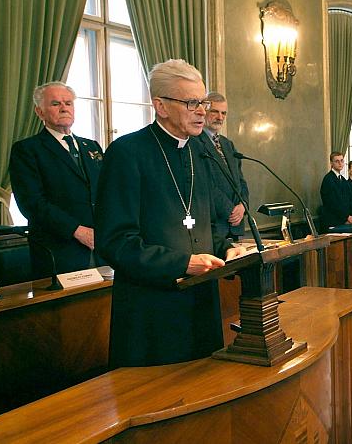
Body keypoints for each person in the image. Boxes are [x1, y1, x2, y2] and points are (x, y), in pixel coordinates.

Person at [94, 59, 247, 367]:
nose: (202, 110)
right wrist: (182, 263)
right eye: (191, 102)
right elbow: (115, 242)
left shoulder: (200, 153)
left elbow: (202, 224)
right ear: (160, 106)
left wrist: (226, 247)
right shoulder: (127, 153)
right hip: (150, 310)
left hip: (200, 302)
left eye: (202, 101)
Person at [10, 81, 104, 276]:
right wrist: (77, 231)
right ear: (39, 112)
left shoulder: (92, 146)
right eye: (55, 104)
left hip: (102, 248)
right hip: (60, 251)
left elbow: (106, 192)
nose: (64, 108)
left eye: (68, 103)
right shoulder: (27, 150)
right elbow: (32, 203)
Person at [195, 92, 249, 240]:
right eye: (215, 111)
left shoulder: (227, 144)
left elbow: (241, 181)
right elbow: (205, 184)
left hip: (236, 228)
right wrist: (230, 211)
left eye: (223, 113)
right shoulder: (194, 142)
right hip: (215, 226)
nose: (220, 117)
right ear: (204, 110)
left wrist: (243, 206)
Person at [320, 151, 352, 229]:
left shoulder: (343, 179)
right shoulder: (328, 179)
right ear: (331, 163)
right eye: (337, 161)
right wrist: (345, 217)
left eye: (342, 161)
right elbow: (332, 202)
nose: (340, 163)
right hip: (333, 221)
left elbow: (347, 200)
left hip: (345, 220)